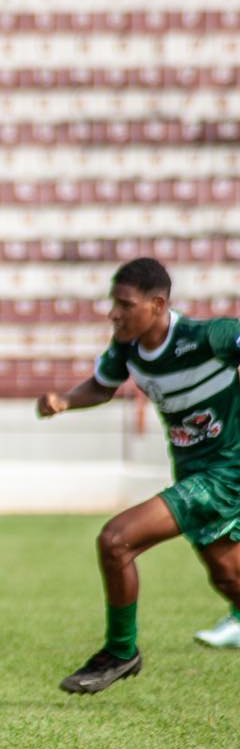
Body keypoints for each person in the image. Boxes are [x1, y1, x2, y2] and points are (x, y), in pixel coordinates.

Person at [39, 258, 240, 692]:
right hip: (193, 473)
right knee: (229, 578)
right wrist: (65, 401)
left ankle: (120, 651)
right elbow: (102, 385)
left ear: (157, 304)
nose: (114, 312)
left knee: (116, 540)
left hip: (226, 474)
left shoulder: (207, 336)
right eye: (113, 303)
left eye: (124, 304)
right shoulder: (127, 347)